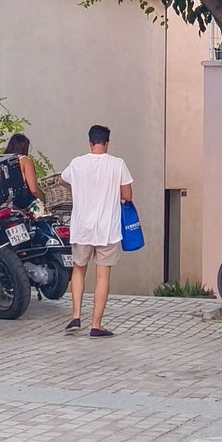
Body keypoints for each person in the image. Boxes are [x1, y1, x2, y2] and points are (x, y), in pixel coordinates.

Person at [60, 124, 132, 338]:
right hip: (107, 229)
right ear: (107, 142)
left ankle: (75, 315)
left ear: (90, 142)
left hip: (82, 227)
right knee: (102, 276)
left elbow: (62, 180)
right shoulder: (118, 164)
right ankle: (96, 325)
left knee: (79, 269)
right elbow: (127, 195)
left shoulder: (77, 163)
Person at [3, 133, 40, 203]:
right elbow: (34, 190)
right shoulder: (24, 160)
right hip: (21, 203)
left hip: (3, 204)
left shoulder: (1, 161)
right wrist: (45, 200)